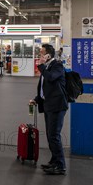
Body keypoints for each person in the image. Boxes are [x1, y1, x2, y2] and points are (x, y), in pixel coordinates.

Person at [30, 43, 68, 175]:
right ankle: (54, 161)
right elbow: (44, 88)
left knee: (54, 136)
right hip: (48, 105)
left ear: (48, 55)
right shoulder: (48, 66)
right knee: (50, 135)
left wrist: (40, 65)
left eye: (41, 53)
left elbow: (51, 78)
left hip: (57, 106)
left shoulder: (57, 65)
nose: (39, 55)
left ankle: (60, 165)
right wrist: (36, 99)